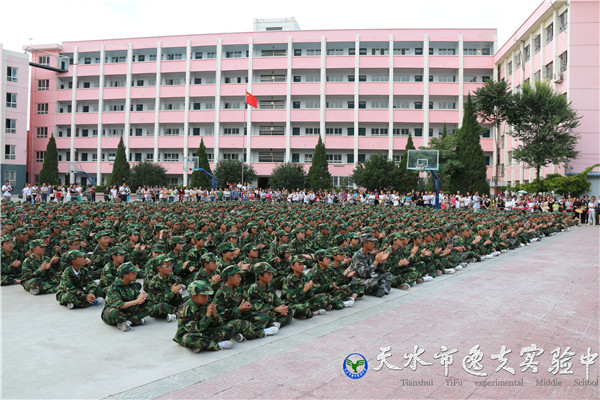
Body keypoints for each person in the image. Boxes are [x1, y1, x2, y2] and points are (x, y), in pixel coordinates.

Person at [173, 280, 252, 352]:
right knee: (189, 339)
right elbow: (193, 329)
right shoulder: (184, 310)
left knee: (230, 328)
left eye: (207, 295)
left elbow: (219, 323)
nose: (206, 298)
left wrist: (214, 316)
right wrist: (207, 316)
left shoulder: (207, 303)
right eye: (203, 296)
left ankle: (202, 345)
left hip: (206, 332)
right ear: (194, 297)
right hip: (191, 334)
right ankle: (217, 345)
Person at [213, 265, 277, 339]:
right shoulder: (220, 293)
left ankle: (242, 332)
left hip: (242, 316)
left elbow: (246, 301)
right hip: (229, 321)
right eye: (238, 276)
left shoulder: (238, 289)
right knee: (241, 324)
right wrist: (239, 309)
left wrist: (247, 306)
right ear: (229, 278)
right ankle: (260, 332)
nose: (240, 279)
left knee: (264, 317)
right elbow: (221, 315)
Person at [101, 262, 150, 332]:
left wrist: (142, 298)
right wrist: (137, 301)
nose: (136, 274)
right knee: (115, 314)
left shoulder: (132, 284)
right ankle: (133, 320)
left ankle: (127, 322)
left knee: (150, 304)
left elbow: (137, 296)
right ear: (125, 276)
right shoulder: (114, 288)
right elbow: (119, 305)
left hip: (128, 309)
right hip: (116, 310)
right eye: (133, 273)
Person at [246, 262, 293, 328]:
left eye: (271, 274)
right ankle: (274, 323)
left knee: (289, 310)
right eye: (268, 274)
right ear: (260, 276)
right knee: (266, 316)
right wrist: (275, 309)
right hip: (260, 312)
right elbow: (258, 307)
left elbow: (276, 298)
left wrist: (281, 306)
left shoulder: (269, 286)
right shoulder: (254, 288)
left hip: (271, 309)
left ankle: (276, 323)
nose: (271, 276)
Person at [349, 233, 392, 298]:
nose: (373, 244)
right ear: (365, 244)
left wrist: (380, 261)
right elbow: (364, 274)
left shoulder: (370, 254)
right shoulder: (357, 256)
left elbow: (378, 270)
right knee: (373, 282)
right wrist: (376, 262)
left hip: (370, 277)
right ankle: (376, 290)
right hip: (358, 280)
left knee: (388, 275)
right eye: (371, 242)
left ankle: (382, 290)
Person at [146, 254, 186, 322]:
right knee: (162, 306)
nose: (170, 268)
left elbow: (177, 299)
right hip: (159, 306)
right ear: (159, 268)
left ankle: (177, 313)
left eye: (171, 265)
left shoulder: (172, 278)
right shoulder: (154, 283)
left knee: (190, 299)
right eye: (167, 266)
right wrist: (172, 292)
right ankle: (180, 313)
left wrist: (177, 293)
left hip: (171, 304)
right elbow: (159, 301)